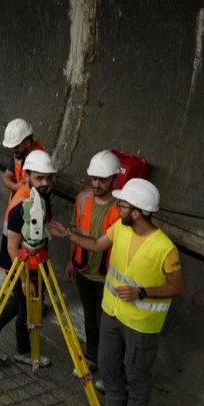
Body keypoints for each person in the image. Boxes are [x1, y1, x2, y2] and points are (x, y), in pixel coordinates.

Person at [46, 179, 185, 406]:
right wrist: (67, 233)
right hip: (111, 314)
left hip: (141, 325)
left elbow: (177, 287)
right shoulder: (120, 228)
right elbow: (98, 245)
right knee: (109, 368)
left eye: (123, 205)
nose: (118, 207)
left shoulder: (164, 248)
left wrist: (142, 292)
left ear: (137, 211)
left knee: (136, 377)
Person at [0, 150, 55, 367]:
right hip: (18, 263)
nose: (45, 182)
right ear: (26, 176)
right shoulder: (21, 205)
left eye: (48, 177)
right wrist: (24, 279)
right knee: (25, 307)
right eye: (39, 178)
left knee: (18, 302)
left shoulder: (38, 196)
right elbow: (12, 246)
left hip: (31, 261)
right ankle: (23, 351)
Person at [65, 150, 122, 390]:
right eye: (94, 179)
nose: (97, 184)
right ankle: (92, 356)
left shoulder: (121, 208)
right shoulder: (82, 199)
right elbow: (75, 231)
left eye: (103, 180)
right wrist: (70, 261)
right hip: (84, 270)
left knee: (107, 326)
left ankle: (108, 367)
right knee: (90, 318)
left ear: (113, 180)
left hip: (107, 276)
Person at [1, 118, 44, 201]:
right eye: (12, 148)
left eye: (16, 147)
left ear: (28, 142)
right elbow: (6, 177)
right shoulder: (18, 155)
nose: (13, 151)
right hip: (17, 203)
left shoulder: (40, 161)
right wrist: (16, 186)